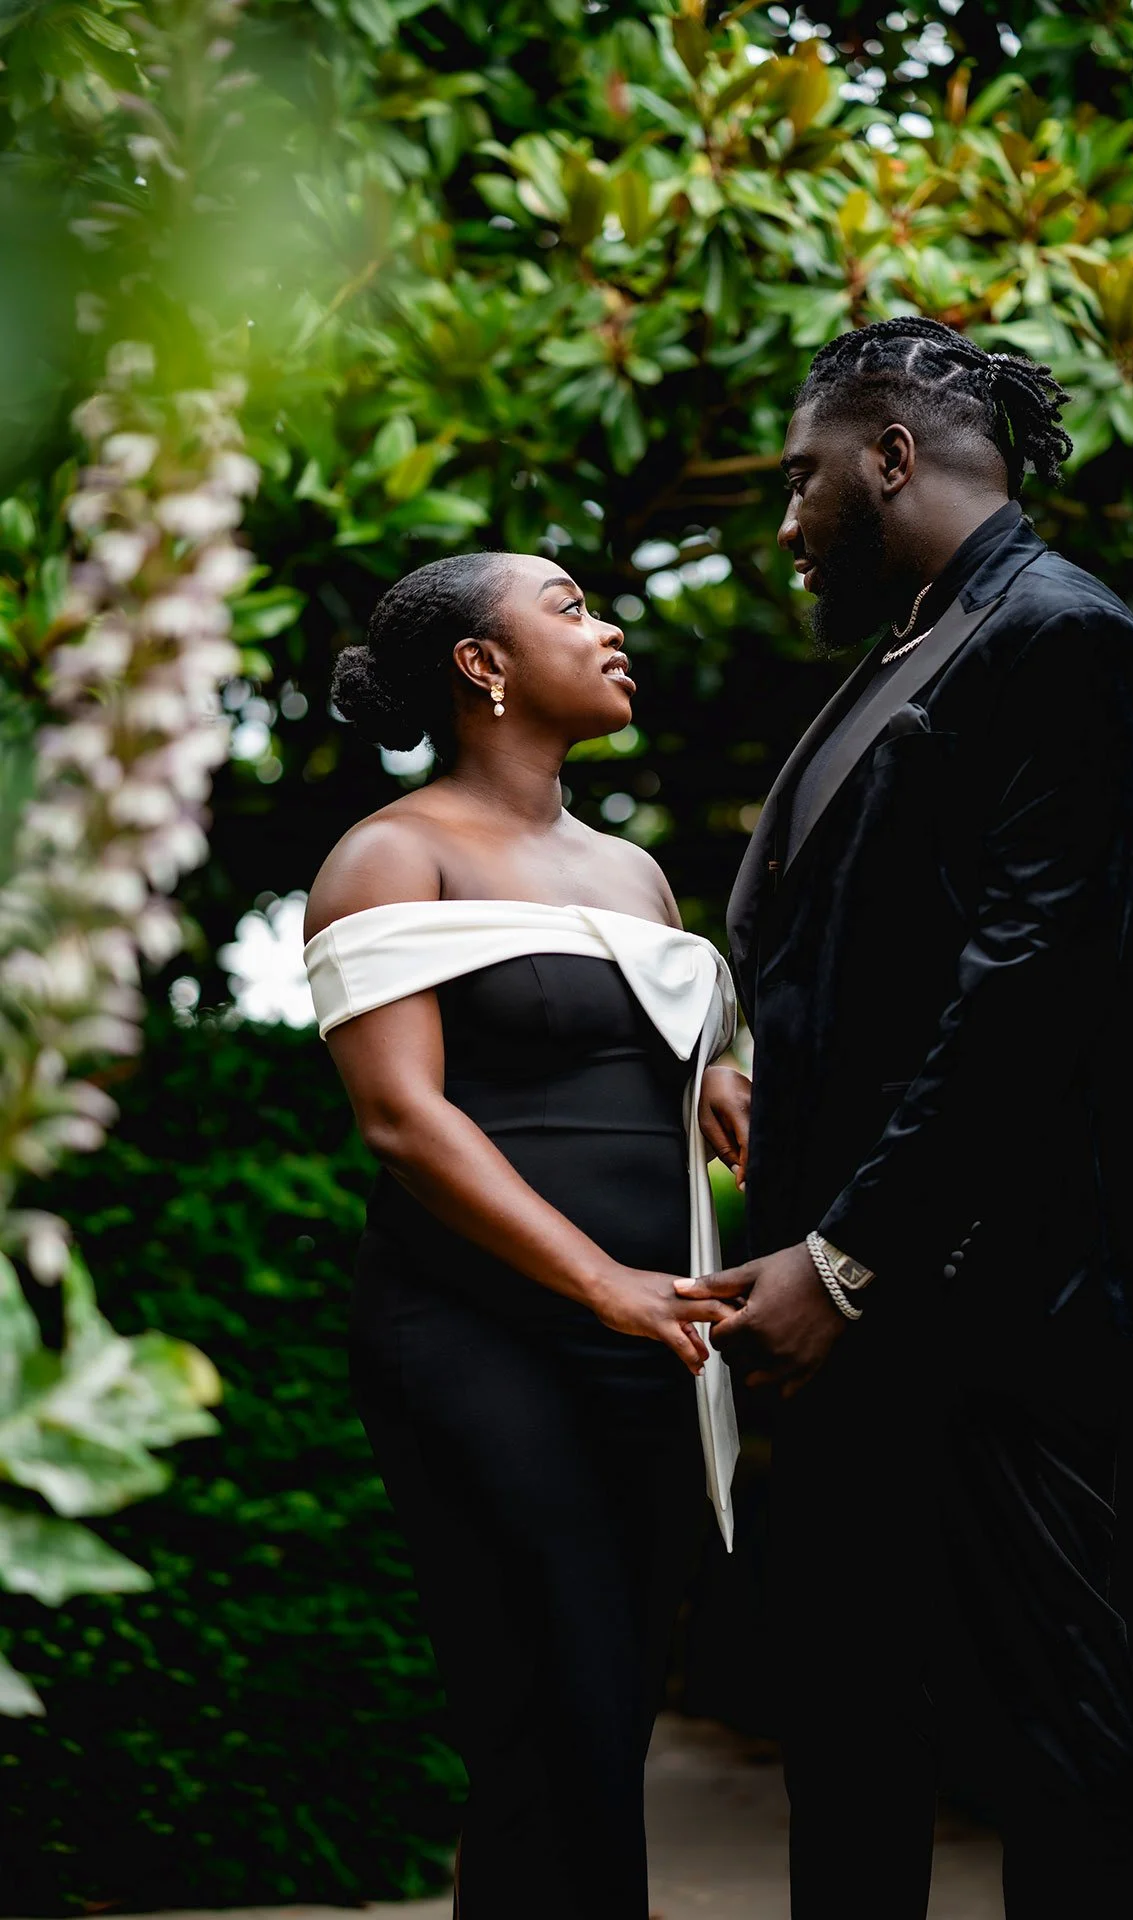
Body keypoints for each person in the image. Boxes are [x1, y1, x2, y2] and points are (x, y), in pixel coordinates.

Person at [679, 317, 1133, 1920]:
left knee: (1049, 1733)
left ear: (891, 457)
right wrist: (776, 1085)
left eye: (802, 477)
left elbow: (1038, 979)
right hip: (873, 1299)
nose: (785, 520)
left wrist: (845, 1258)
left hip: (1007, 1301)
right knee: (850, 1723)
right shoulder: (914, 643)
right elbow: (894, 956)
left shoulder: (1062, 639)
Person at [302, 552, 748, 1920]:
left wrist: (719, 1080)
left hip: (651, 1344)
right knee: (544, 1714)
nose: (608, 629)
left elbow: (671, 1065)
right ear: (480, 668)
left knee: (603, 1722)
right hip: (478, 1335)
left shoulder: (636, 875)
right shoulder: (393, 852)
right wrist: (604, 1285)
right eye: (566, 608)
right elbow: (401, 1119)